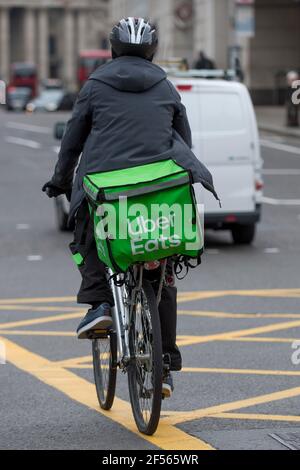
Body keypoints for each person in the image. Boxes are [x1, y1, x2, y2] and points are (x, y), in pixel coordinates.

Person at [43, 17, 217, 397]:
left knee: (87, 231)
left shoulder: (95, 85)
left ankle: (100, 303)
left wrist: (60, 181)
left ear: (113, 49)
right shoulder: (165, 86)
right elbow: (183, 141)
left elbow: (72, 139)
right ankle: (165, 364)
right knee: (163, 270)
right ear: (152, 50)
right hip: (157, 186)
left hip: (106, 183)